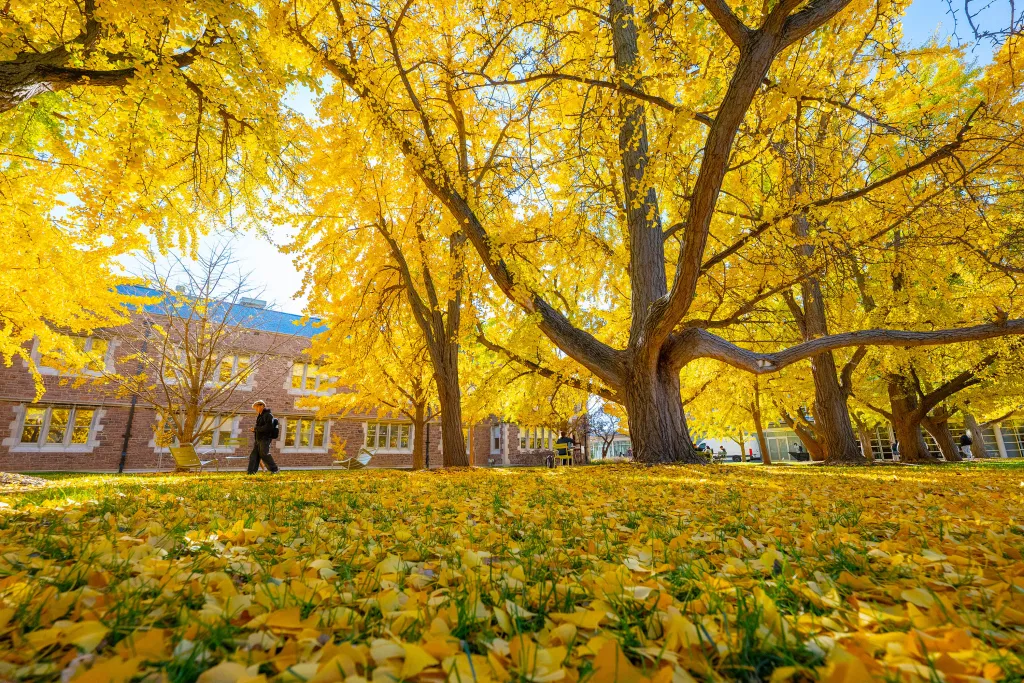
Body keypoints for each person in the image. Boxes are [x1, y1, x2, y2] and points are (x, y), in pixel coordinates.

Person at [248, 400, 280, 474]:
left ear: (261, 406)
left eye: (256, 407)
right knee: (254, 455)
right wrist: (254, 430)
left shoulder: (268, 415)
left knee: (264, 454)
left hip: (265, 439)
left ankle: (275, 470)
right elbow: (261, 427)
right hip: (258, 439)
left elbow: (269, 427)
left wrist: (256, 429)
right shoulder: (260, 416)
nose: (256, 409)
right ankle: (251, 472)